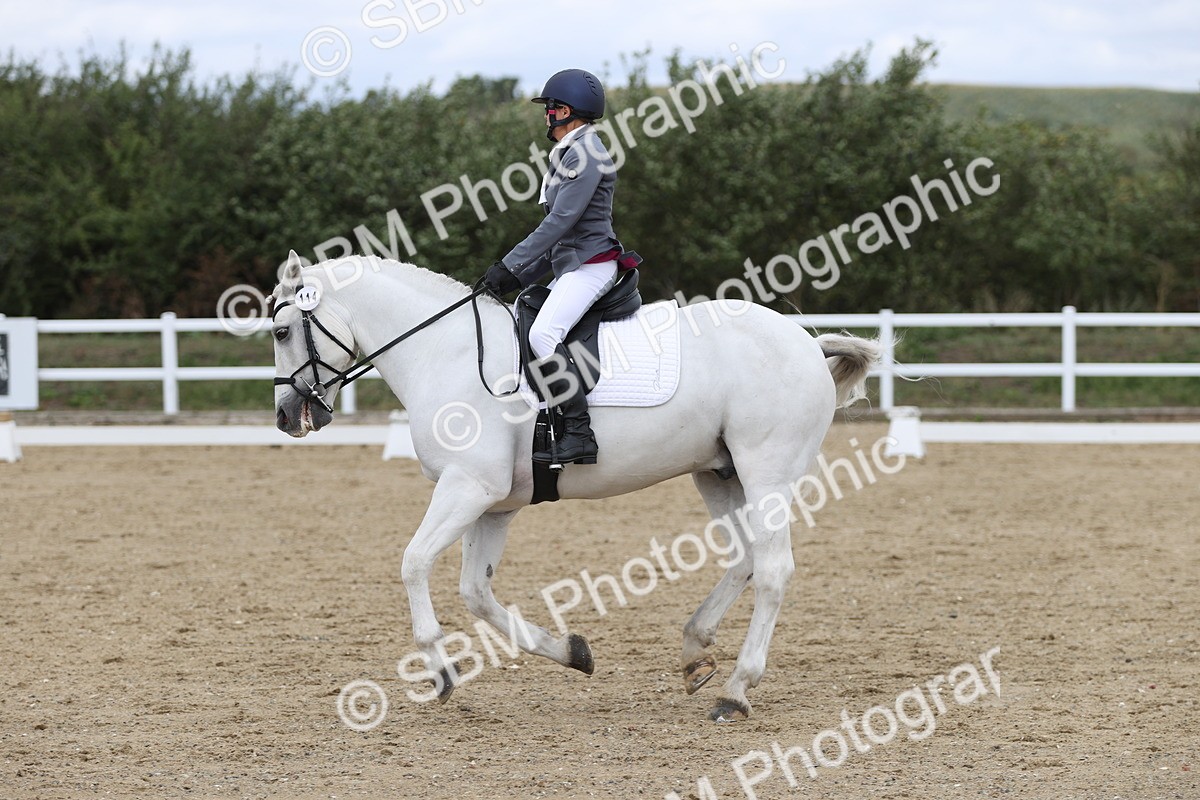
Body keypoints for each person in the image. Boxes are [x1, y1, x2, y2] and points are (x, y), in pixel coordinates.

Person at [481, 68, 638, 466]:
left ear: (564, 111)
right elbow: (559, 245)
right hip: (575, 264)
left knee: (544, 333)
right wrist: (514, 278)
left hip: (594, 265)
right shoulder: (570, 152)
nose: (545, 116)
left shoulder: (586, 153)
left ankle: (579, 431)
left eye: (549, 109)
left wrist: (509, 263)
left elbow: (559, 223)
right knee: (523, 314)